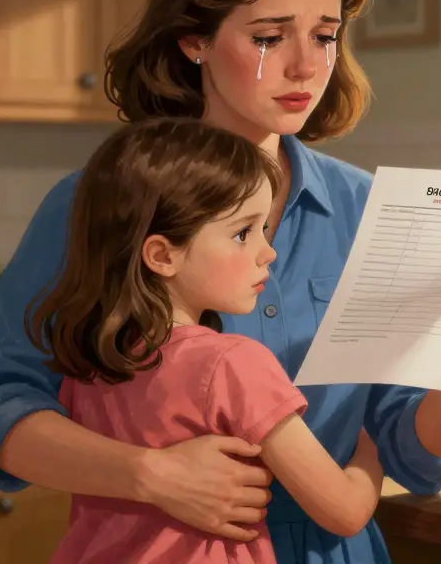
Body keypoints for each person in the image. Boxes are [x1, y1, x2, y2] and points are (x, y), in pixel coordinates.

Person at [0, 0, 441, 563]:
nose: (306, 65)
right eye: (269, 36)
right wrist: (151, 476)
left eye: (325, 35)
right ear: (193, 39)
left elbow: (419, 458)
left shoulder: (368, 209)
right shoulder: (100, 203)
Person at [40, 118, 385, 563]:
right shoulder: (233, 364)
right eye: (243, 233)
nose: (267, 251)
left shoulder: (88, 359)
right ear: (163, 255)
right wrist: (371, 445)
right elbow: (344, 510)